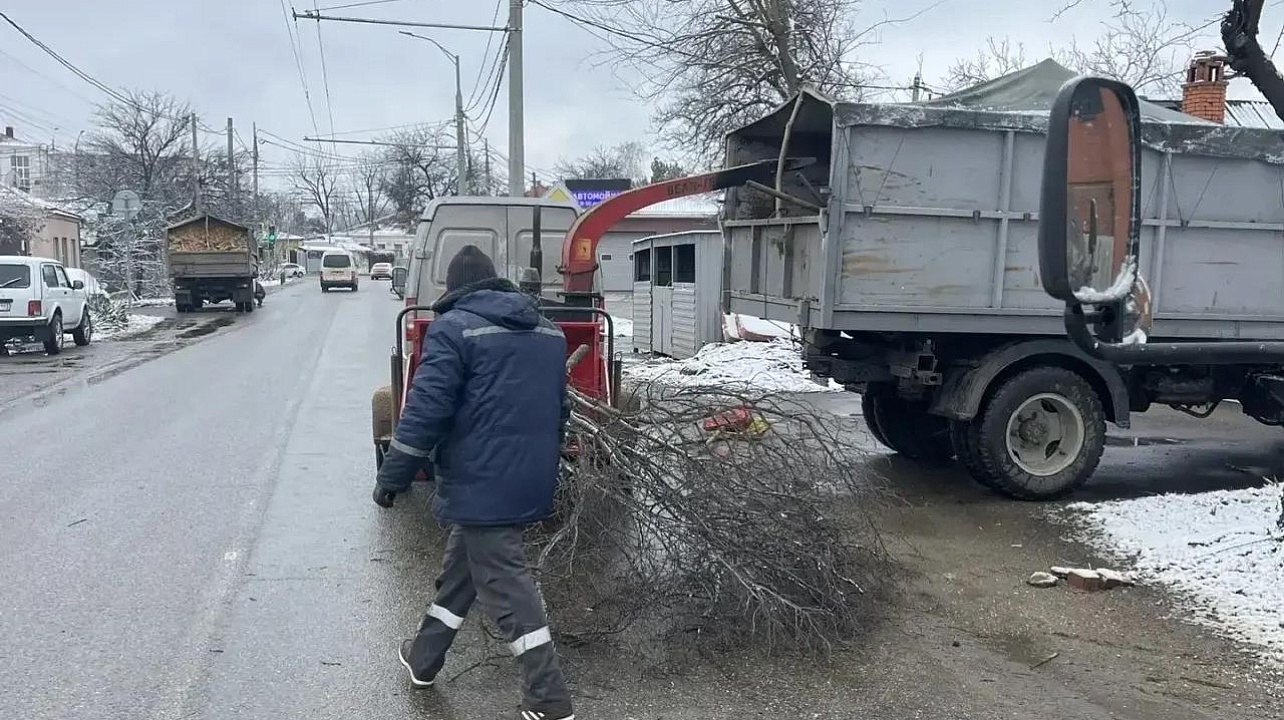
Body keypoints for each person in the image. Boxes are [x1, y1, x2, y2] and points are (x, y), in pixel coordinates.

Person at [372, 245, 575, 720]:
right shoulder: (548, 332)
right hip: (527, 475)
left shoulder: (453, 329)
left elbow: (426, 412)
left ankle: (548, 697)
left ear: (454, 287)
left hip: (481, 479)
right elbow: (560, 410)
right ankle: (424, 658)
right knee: (461, 572)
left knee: (506, 584)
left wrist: (392, 476)